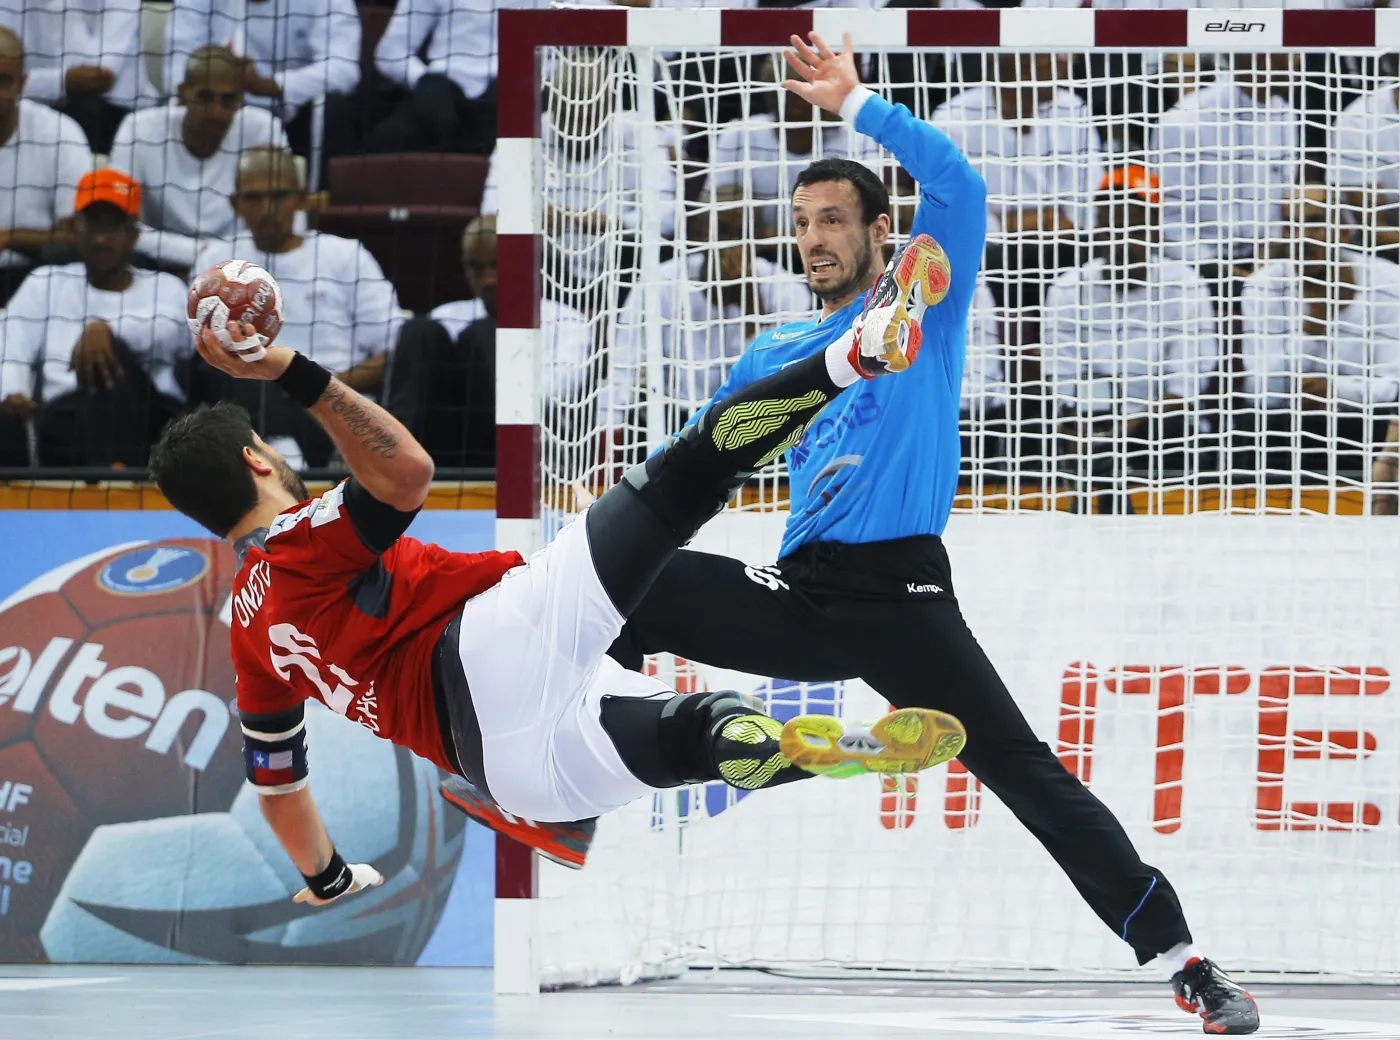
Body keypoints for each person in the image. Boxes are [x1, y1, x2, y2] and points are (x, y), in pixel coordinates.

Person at [443, 33, 1261, 1036]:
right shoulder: (778, 347)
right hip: (798, 592)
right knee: (595, 589)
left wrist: (857, 104)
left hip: (902, 595)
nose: (814, 236)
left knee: (1022, 771)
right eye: (800, 223)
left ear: (881, 229)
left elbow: (956, 183)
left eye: (834, 218)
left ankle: (1183, 959)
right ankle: (567, 793)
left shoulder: (923, 303)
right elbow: (713, 448)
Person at [146, 233, 968, 910]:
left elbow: (279, 787)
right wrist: (287, 367)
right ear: (259, 460)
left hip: (515, 780)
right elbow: (405, 475)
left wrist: (329, 877)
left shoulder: (244, 631)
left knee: (696, 730)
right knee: (683, 475)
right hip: (488, 654)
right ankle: (857, 353)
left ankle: (785, 745)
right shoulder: (297, 539)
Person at [189, 145, 401, 468]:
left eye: (278, 196)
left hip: (328, 403)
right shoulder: (216, 262)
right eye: (254, 198)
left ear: (302, 199)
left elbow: (393, 351)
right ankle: (282, 457)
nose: (267, 209)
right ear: (235, 205)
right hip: (248, 402)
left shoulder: (345, 255)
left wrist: (315, 381)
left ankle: (290, 463)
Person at [1040, 164, 1219, 485]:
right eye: (1113, 226)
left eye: (1135, 227)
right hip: (1087, 422)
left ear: (1155, 230)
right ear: (1097, 230)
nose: (1123, 239)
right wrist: (1079, 425)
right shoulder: (1068, 288)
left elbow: (1185, 384)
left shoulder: (1185, 284)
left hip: (1160, 427)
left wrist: (1127, 430)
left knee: (1172, 427)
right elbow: (1061, 378)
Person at [0, 169, 186, 467]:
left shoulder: (166, 286)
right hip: (66, 423)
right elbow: (10, 344)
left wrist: (106, 330)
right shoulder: (45, 281)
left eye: (113, 227)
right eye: (91, 225)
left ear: (135, 235)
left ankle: (112, 478)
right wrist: (13, 391)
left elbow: (170, 331)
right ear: (75, 229)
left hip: (149, 422)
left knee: (112, 358)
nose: (101, 239)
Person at [388, 214, 593, 468]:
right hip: (439, 444)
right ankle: (393, 459)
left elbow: (559, 394)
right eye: (476, 267)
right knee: (418, 330)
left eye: (496, 265)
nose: (487, 279)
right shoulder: (446, 316)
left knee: (483, 333)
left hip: (521, 441)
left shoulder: (564, 320)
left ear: (523, 262)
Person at [932, 52, 1102, 347]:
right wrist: (1041, 218)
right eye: (1051, 61)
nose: (1062, 67)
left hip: (1061, 251)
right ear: (1018, 66)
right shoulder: (952, 117)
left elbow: (1084, 205)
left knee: (1085, 262)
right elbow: (957, 211)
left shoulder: (1073, 108)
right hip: (987, 254)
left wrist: (1017, 220)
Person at [1238, 184, 1400, 481]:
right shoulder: (1264, 286)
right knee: (1253, 427)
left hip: (1365, 422)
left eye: (1313, 223)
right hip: (1286, 425)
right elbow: (1259, 391)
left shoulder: (1389, 282)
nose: (1300, 237)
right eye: (1291, 225)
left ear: (1343, 232)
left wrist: (1334, 391)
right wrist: (1311, 332)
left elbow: (1392, 387)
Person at [109, 45, 287, 275]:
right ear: (183, 93)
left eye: (228, 100)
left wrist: (212, 258)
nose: (216, 111)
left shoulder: (264, 129)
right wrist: (203, 255)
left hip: (243, 267)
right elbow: (118, 224)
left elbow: (287, 221)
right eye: (205, 97)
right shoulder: (138, 129)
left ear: (241, 98)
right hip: (157, 266)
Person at [164, 0, 360, 178]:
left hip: (292, 114)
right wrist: (216, 75)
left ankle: (314, 202)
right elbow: (175, 70)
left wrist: (268, 85)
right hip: (215, 108)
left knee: (335, 109)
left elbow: (344, 70)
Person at [0, 26, 91, 307]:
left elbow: (79, 237)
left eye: (2, 81)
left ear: (22, 83)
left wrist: (8, 237)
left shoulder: (61, 133)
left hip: (38, 278)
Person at [0, 0, 154, 154]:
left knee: (87, 110)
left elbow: (96, 77)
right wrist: (61, 82)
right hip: (29, 105)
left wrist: (60, 5)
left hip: (115, 110)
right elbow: (5, 80)